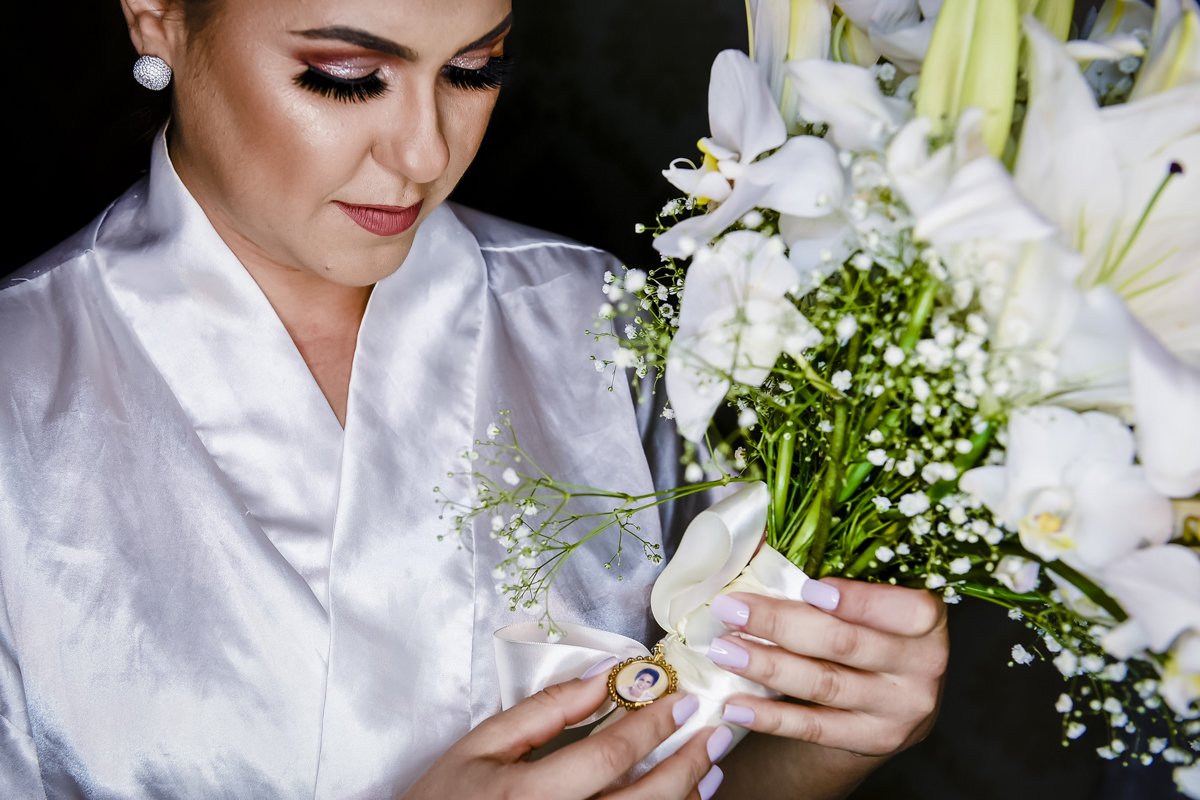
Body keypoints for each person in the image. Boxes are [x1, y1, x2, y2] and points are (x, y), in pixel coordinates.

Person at [0, 0, 949, 798]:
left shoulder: (596, 319)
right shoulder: (19, 390)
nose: (421, 154)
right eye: (344, 75)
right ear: (158, 18)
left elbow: (706, 763)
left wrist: (823, 738)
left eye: (473, 70)